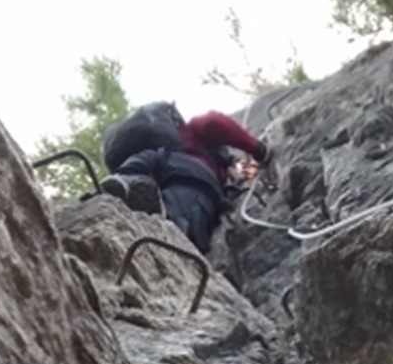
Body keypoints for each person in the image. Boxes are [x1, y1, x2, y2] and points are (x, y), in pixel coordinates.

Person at [100, 103, 271, 254]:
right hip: (189, 174)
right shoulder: (196, 138)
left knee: (135, 172)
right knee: (190, 200)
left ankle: (120, 188)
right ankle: (171, 221)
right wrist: (258, 149)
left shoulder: (162, 144)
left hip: (152, 166)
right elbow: (214, 121)